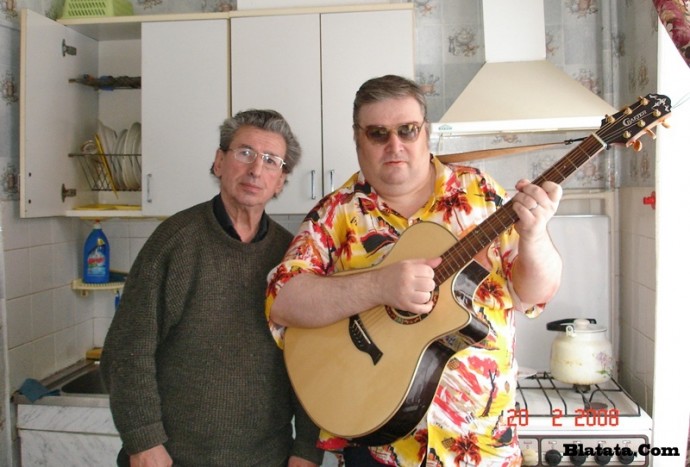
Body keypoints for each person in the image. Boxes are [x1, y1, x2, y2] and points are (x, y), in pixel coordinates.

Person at [265, 75, 563, 466]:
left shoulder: (482, 194)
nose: (395, 145)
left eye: (407, 130)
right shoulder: (336, 212)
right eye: (378, 133)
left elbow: (534, 294)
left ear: (426, 132)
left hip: (482, 446)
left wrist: (535, 236)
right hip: (377, 449)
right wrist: (378, 286)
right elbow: (282, 300)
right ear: (357, 139)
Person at [101, 109, 323, 467]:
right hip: (172, 459)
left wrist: (307, 449)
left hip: (268, 459)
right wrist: (143, 442)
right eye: (245, 153)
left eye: (271, 161)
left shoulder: (292, 258)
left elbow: (310, 360)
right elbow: (128, 349)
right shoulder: (174, 242)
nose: (256, 170)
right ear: (219, 162)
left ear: (281, 180)